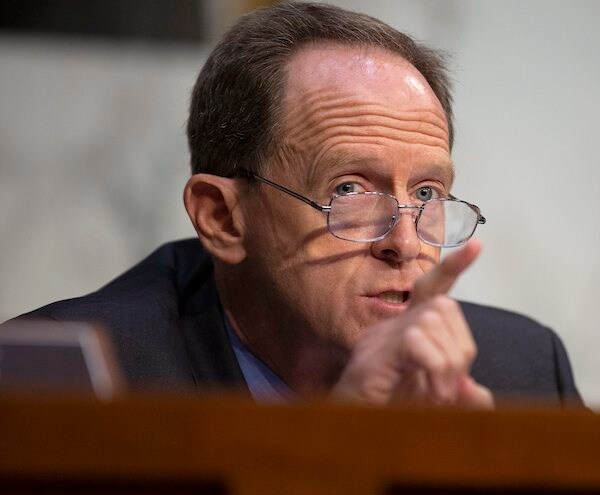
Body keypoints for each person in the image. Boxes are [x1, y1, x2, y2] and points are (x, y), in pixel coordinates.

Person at [10, 2, 581, 407]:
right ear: (222, 217)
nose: (405, 243)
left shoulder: (519, 370)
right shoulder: (63, 387)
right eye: (349, 190)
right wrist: (346, 451)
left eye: (427, 194)